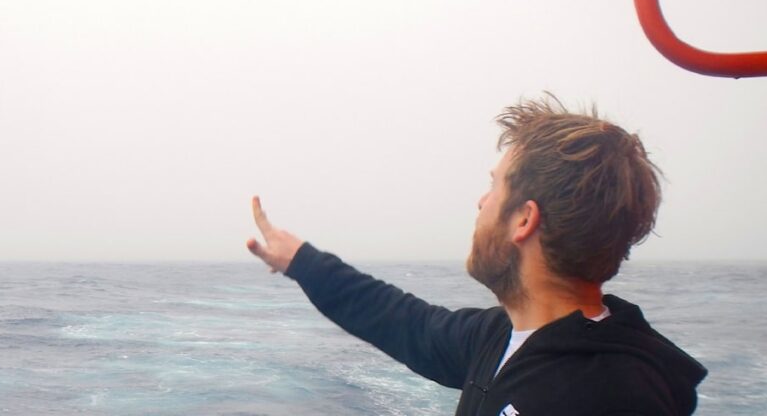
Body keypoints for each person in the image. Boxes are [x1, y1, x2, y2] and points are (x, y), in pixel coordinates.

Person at [245, 95, 707, 416]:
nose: (481, 202)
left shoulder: (614, 397)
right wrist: (301, 261)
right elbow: (403, 321)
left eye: (494, 186)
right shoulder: (501, 336)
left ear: (524, 219)